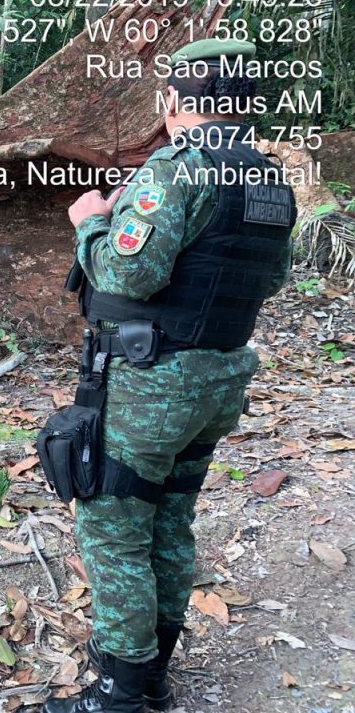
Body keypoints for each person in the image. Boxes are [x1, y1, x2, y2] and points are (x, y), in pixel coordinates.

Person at [44, 39, 296, 713]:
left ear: (176, 101)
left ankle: (117, 693)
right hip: (218, 380)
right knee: (170, 519)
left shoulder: (179, 168)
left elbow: (130, 272)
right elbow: (266, 279)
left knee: (113, 525)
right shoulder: (270, 181)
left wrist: (92, 224)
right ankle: (151, 676)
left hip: (154, 382)